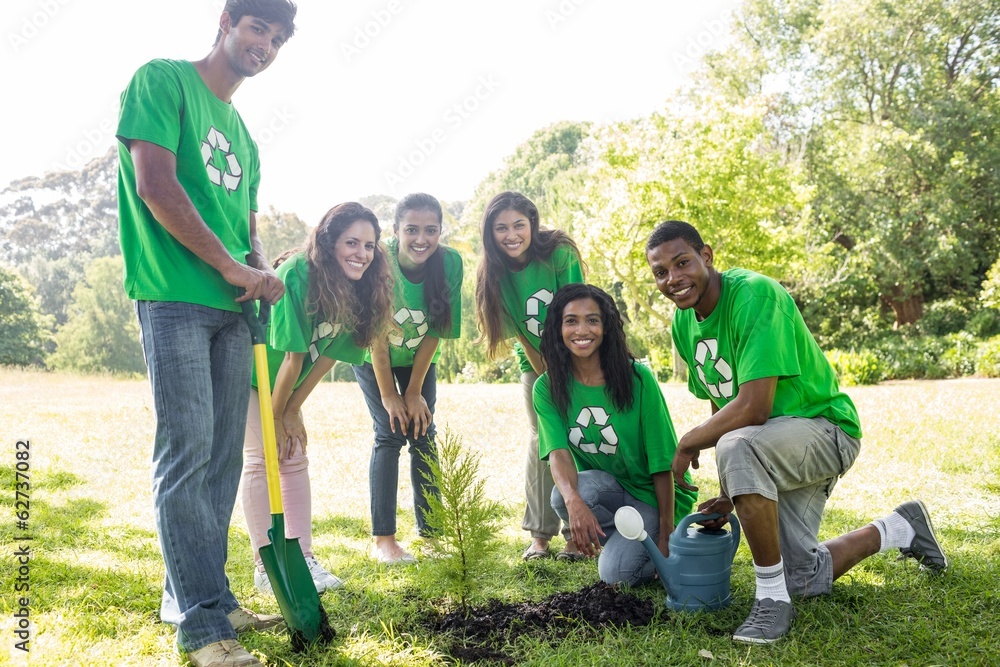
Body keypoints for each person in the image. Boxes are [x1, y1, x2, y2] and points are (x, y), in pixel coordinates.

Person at [645, 220, 947, 644]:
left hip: (825, 430)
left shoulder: (754, 294)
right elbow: (724, 402)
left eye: (682, 263)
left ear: (706, 256)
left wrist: (687, 442)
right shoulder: (684, 323)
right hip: (771, 444)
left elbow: (753, 407)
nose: (673, 279)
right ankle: (900, 527)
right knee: (804, 578)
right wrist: (732, 491)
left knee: (736, 443)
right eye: (661, 272)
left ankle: (771, 600)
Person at [116, 1, 298, 665]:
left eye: (277, 40)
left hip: (233, 308)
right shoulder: (162, 82)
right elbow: (155, 185)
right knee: (188, 454)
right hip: (174, 297)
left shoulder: (244, 135)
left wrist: (260, 269)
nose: (266, 46)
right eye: (258, 29)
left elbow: (246, 228)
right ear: (226, 21)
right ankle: (200, 627)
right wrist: (226, 264)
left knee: (222, 459)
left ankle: (209, 597)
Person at [242, 202, 394, 593]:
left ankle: (304, 559)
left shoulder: (360, 288)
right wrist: (276, 417)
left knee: (293, 453)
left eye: (369, 245)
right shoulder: (298, 274)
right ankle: (267, 566)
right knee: (263, 459)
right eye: (352, 242)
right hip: (254, 376)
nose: (361, 254)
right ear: (328, 242)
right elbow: (292, 357)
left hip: (286, 385)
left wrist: (292, 411)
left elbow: (327, 357)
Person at [534, 284, 698, 584]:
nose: (582, 329)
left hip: (652, 496)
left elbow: (662, 461)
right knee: (562, 495)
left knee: (615, 576)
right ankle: (630, 542)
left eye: (592, 320)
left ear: (606, 327)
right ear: (558, 328)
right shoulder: (547, 387)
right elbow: (557, 453)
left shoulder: (637, 378)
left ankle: (666, 540)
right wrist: (574, 503)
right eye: (571, 320)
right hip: (610, 490)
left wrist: (666, 530)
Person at [352, 193, 463, 564]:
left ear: (440, 231)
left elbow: (437, 330)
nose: (421, 239)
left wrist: (414, 392)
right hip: (373, 354)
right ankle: (384, 541)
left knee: (423, 431)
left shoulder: (449, 263)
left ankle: (431, 536)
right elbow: (376, 336)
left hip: (418, 356)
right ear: (396, 230)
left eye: (431, 230)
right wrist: (390, 396)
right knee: (388, 431)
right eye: (412, 229)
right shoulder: (379, 262)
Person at [474, 191, 584, 561]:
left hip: (580, 354)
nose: (511, 235)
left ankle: (577, 533)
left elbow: (579, 309)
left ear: (532, 224)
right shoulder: (494, 272)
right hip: (535, 362)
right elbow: (521, 333)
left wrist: (571, 372)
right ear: (491, 232)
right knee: (543, 437)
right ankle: (540, 535)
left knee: (579, 435)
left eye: (519, 225)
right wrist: (548, 377)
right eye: (501, 227)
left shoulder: (559, 252)